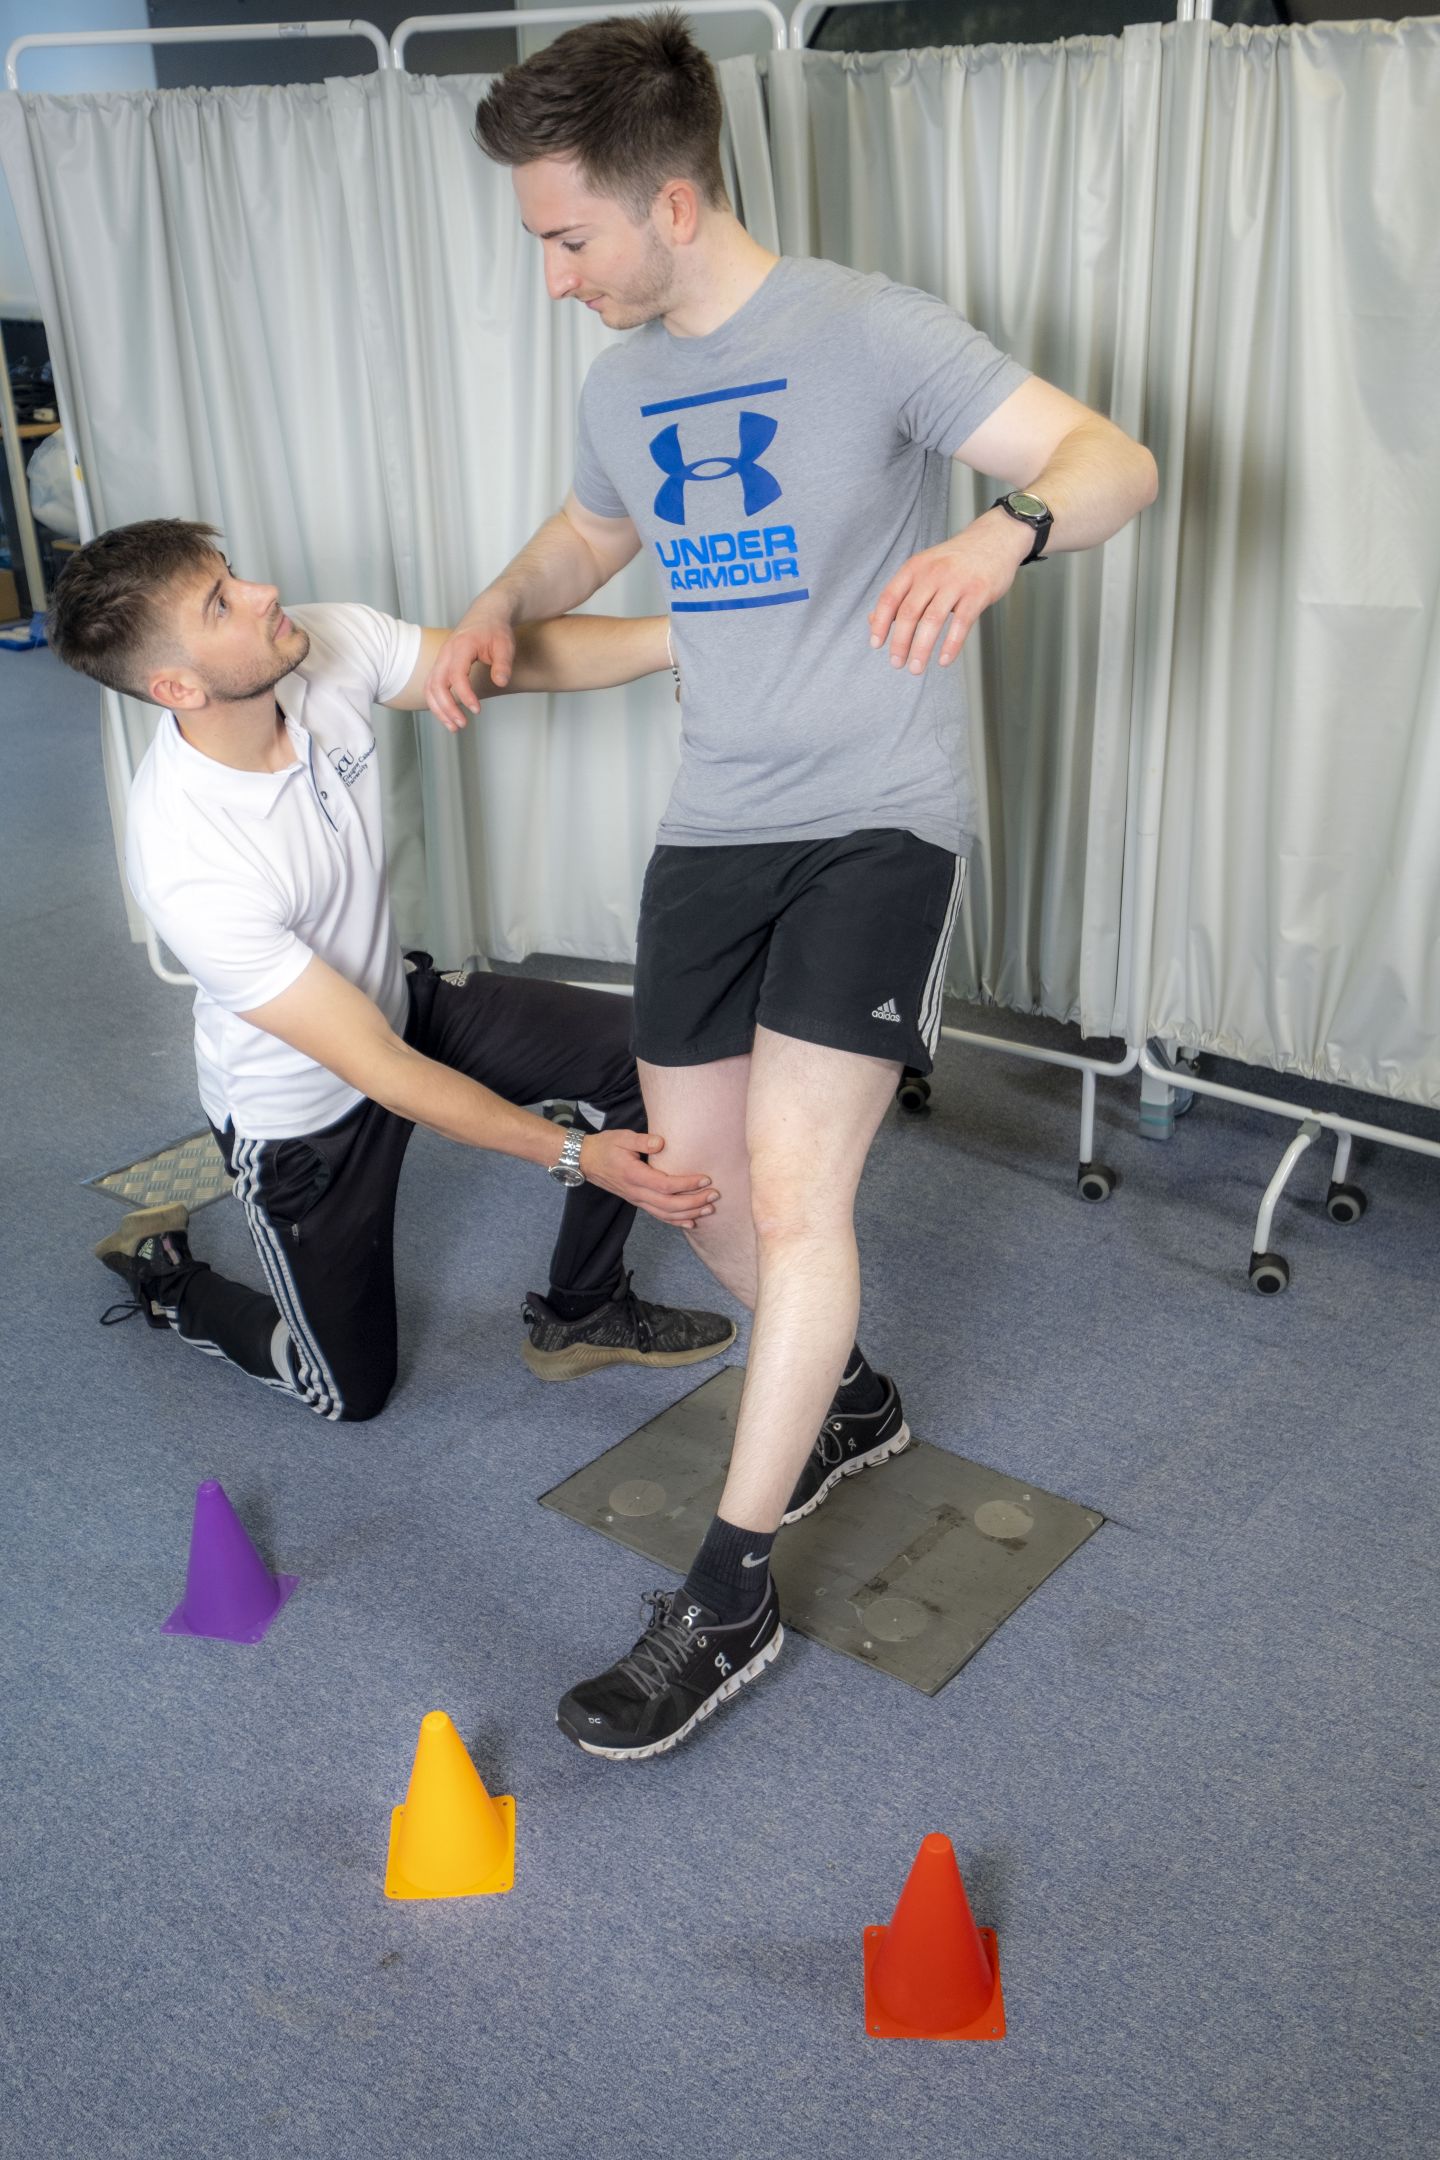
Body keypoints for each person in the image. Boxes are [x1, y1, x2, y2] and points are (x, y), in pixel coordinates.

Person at [427, 10, 1159, 1761]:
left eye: (566, 236)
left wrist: (1002, 534)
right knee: (698, 1188)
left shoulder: (866, 329)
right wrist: (494, 602)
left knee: (797, 1189)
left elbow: (1113, 460)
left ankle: (728, 1594)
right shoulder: (623, 383)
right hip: (717, 823)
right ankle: (847, 1397)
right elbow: (590, 533)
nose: (552, 274)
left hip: (876, 820)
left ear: (671, 202)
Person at [49, 518, 735, 1423]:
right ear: (176, 685)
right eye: (222, 602)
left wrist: (687, 637)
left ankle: (584, 1311)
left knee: (643, 1053)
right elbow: (374, 1068)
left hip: (398, 1006)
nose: (262, 593)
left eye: (234, 574)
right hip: (303, 1119)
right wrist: (577, 1154)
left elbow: (500, 660)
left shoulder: (315, 645)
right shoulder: (188, 855)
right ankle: (171, 1284)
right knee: (347, 1393)